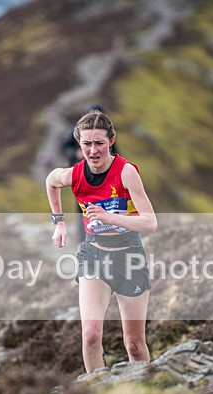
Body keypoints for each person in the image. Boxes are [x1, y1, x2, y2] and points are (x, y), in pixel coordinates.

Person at [46, 110, 157, 373]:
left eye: (99, 143)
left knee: (134, 344)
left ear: (111, 141)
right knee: (91, 335)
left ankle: (144, 392)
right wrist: (58, 223)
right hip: (94, 256)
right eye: (86, 144)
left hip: (129, 257)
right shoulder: (75, 174)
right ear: (79, 143)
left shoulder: (126, 172)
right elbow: (51, 180)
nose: (93, 151)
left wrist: (111, 217)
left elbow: (150, 222)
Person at [59, 104, 119, 242]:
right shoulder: (76, 130)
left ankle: (102, 235)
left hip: (103, 174)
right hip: (81, 174)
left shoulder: (106, 133)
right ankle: (83, 237)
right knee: (82, 207)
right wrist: (75, 152)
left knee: (104, 204)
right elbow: (63, 146)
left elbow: (114, 152)